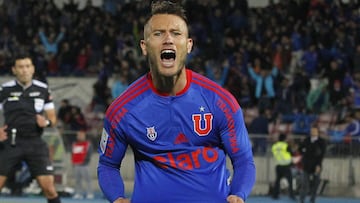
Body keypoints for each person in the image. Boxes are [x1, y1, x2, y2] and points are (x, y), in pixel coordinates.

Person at [97, 1, 256, 203]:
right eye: (158, 33)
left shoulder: (221, 102)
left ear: (188, 45)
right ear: (144, 47)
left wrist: (238, 195)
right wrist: (117, 198)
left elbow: (243, 160)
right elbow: (108, 165)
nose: (168, 40)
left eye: (176, 33)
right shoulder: (122, 111)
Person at [0, 54, 61, 203]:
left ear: (33, 69)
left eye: (27, 66)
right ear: (14, 70)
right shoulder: (4, 90)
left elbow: (53, 119)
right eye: (20, 67)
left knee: (49, 189)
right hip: (9, 143)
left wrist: (45, 123)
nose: (24, 70)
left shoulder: (43, 90)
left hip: (35, 143)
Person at [298, 123, 327, 203]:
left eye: (314, 131)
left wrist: (318, 165)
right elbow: (300, 149)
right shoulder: (306, 140)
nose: (313, 132)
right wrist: (304, 152)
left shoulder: (322, 141)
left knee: (315, 184)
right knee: (304, 184)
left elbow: (322, 155)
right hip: (306, 165)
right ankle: (302, 200)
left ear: (318, 132)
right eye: (311, 131)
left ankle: (312, 200)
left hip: (316, 165)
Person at [271, 133, 295, 200]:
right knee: (290, 181)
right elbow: (292, 153)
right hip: (286, 166)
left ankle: (275, 195)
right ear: (285, 139)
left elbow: (274, 154)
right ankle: (291, 195)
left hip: (278, 165)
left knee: (277, 181)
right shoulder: (286, 145)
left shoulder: (274, 146)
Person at [71, 130, 94, 199]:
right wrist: (72, 162)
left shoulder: (88, 144)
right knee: (78, 180)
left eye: (81, 135)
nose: (79, 137)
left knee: (88, 180)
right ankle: (78, 193)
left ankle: (89, 193)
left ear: (84, 136)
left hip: (84, 165)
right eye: (78, 135)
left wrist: (85, 162)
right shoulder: (74, 144)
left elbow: (89, 154)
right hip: (76, 165)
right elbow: (72, 154)